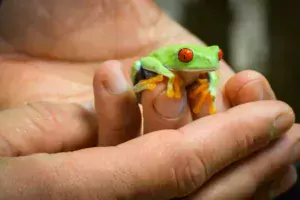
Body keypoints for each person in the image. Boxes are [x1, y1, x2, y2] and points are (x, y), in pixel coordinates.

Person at [0, 1, 299, 199]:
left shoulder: (205, 64)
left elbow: (209, 70)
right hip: (155, 67)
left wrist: (208, 85)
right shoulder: (167, 58)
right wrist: (161, 78)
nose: (213, 61)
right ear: (182, 57)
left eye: (218, 56)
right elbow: (148, 62)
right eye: (186, 57)